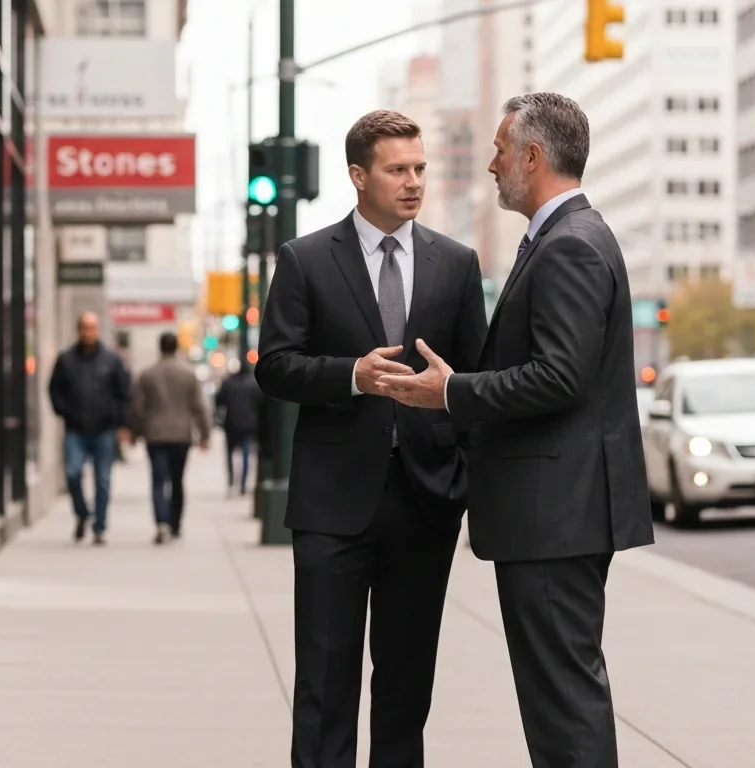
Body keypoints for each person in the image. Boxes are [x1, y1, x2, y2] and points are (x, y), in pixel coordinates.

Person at [377, 92, 656, 768]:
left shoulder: (571, 248)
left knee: (562, 697)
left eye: (502, 150)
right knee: (559, 692)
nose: (493, 164)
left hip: (555, 516)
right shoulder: (563, 240)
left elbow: (560, 378)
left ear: (533, 157)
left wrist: (452, 392)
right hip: (553, 514)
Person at [254, 109, 488, 767]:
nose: (413, 182)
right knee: (324, 686)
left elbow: (475, 379)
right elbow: (274, 366)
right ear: (359, 175)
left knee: (406, 691)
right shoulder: (304, 260)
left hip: (425, 500)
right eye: (397, 170)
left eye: (419, 168)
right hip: (333, 502)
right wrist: (351, 376)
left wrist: (461, 474)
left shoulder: (457, 264)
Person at [47, 311, 132, 545]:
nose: (89, 332)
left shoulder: (111, 361)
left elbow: (124, 394)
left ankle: (99, 526)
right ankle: (82, 513)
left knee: (102, 480)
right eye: (85, 327)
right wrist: (64, 411)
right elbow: (54, 390)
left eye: (93, 328)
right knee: (73, 474)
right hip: (75, 429)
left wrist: (122, 424)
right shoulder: (66, 359)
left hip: (103, 429)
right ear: (79, 330)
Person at [129, 331, 211, 544]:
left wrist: (135, 431)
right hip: (181, 435)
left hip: (155, 435)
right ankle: (175, 523)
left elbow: (138, 407)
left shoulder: (148, 374)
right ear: (176, 348)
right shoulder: (188, 374)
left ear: (160, 347)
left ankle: (161, 522)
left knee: (158, 480)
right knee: (177, 480)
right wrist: (205, 434)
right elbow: (200, 406)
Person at [214, 367, 262, 495]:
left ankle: (231, 480)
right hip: (248, 424)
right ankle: (243, 483)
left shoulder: (228, 383)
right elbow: (260, 403)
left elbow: (219, 401)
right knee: (246, 453)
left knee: (229, 453)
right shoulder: (253, 384)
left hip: (231, 423)